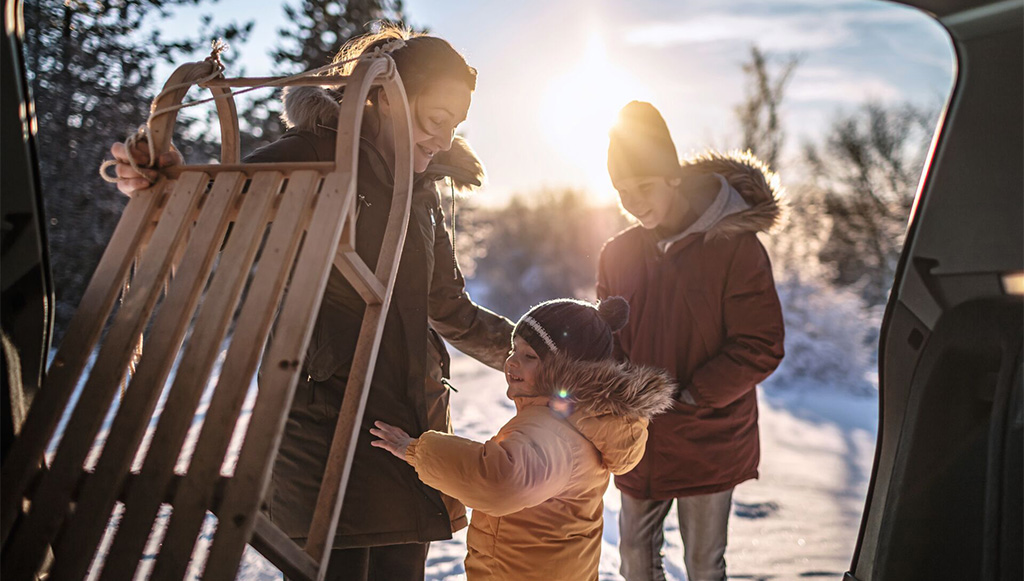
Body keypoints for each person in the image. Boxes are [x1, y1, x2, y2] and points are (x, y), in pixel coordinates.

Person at [110, 26, 515, 581]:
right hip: (326, 434)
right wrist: (163, 185)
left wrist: (546, 358)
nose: (445, 141)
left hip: (409, 436)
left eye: (456, 127)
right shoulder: (317, 153)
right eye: (436, 119)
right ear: (385, 99)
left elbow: (451, 310)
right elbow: (217, 207)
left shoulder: (421, 192)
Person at [599, 101, 786, 581]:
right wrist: (616, 396)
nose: (634, 203)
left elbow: (761, 343)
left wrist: (694, 395)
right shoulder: (617, 254)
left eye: (644, 187)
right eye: (622, 192)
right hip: (640, 438)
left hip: (708, 434)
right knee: (634, 560)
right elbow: (607, 340)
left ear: (674, 177)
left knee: (703, 564)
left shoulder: (734, 247)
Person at [370, 297, 675, 581]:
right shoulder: (585, 419)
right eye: (513, 350)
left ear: (565, 370)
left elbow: (499, 480)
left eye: (529, 356)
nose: (512, 362)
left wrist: (416, 450)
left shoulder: (554, 431)